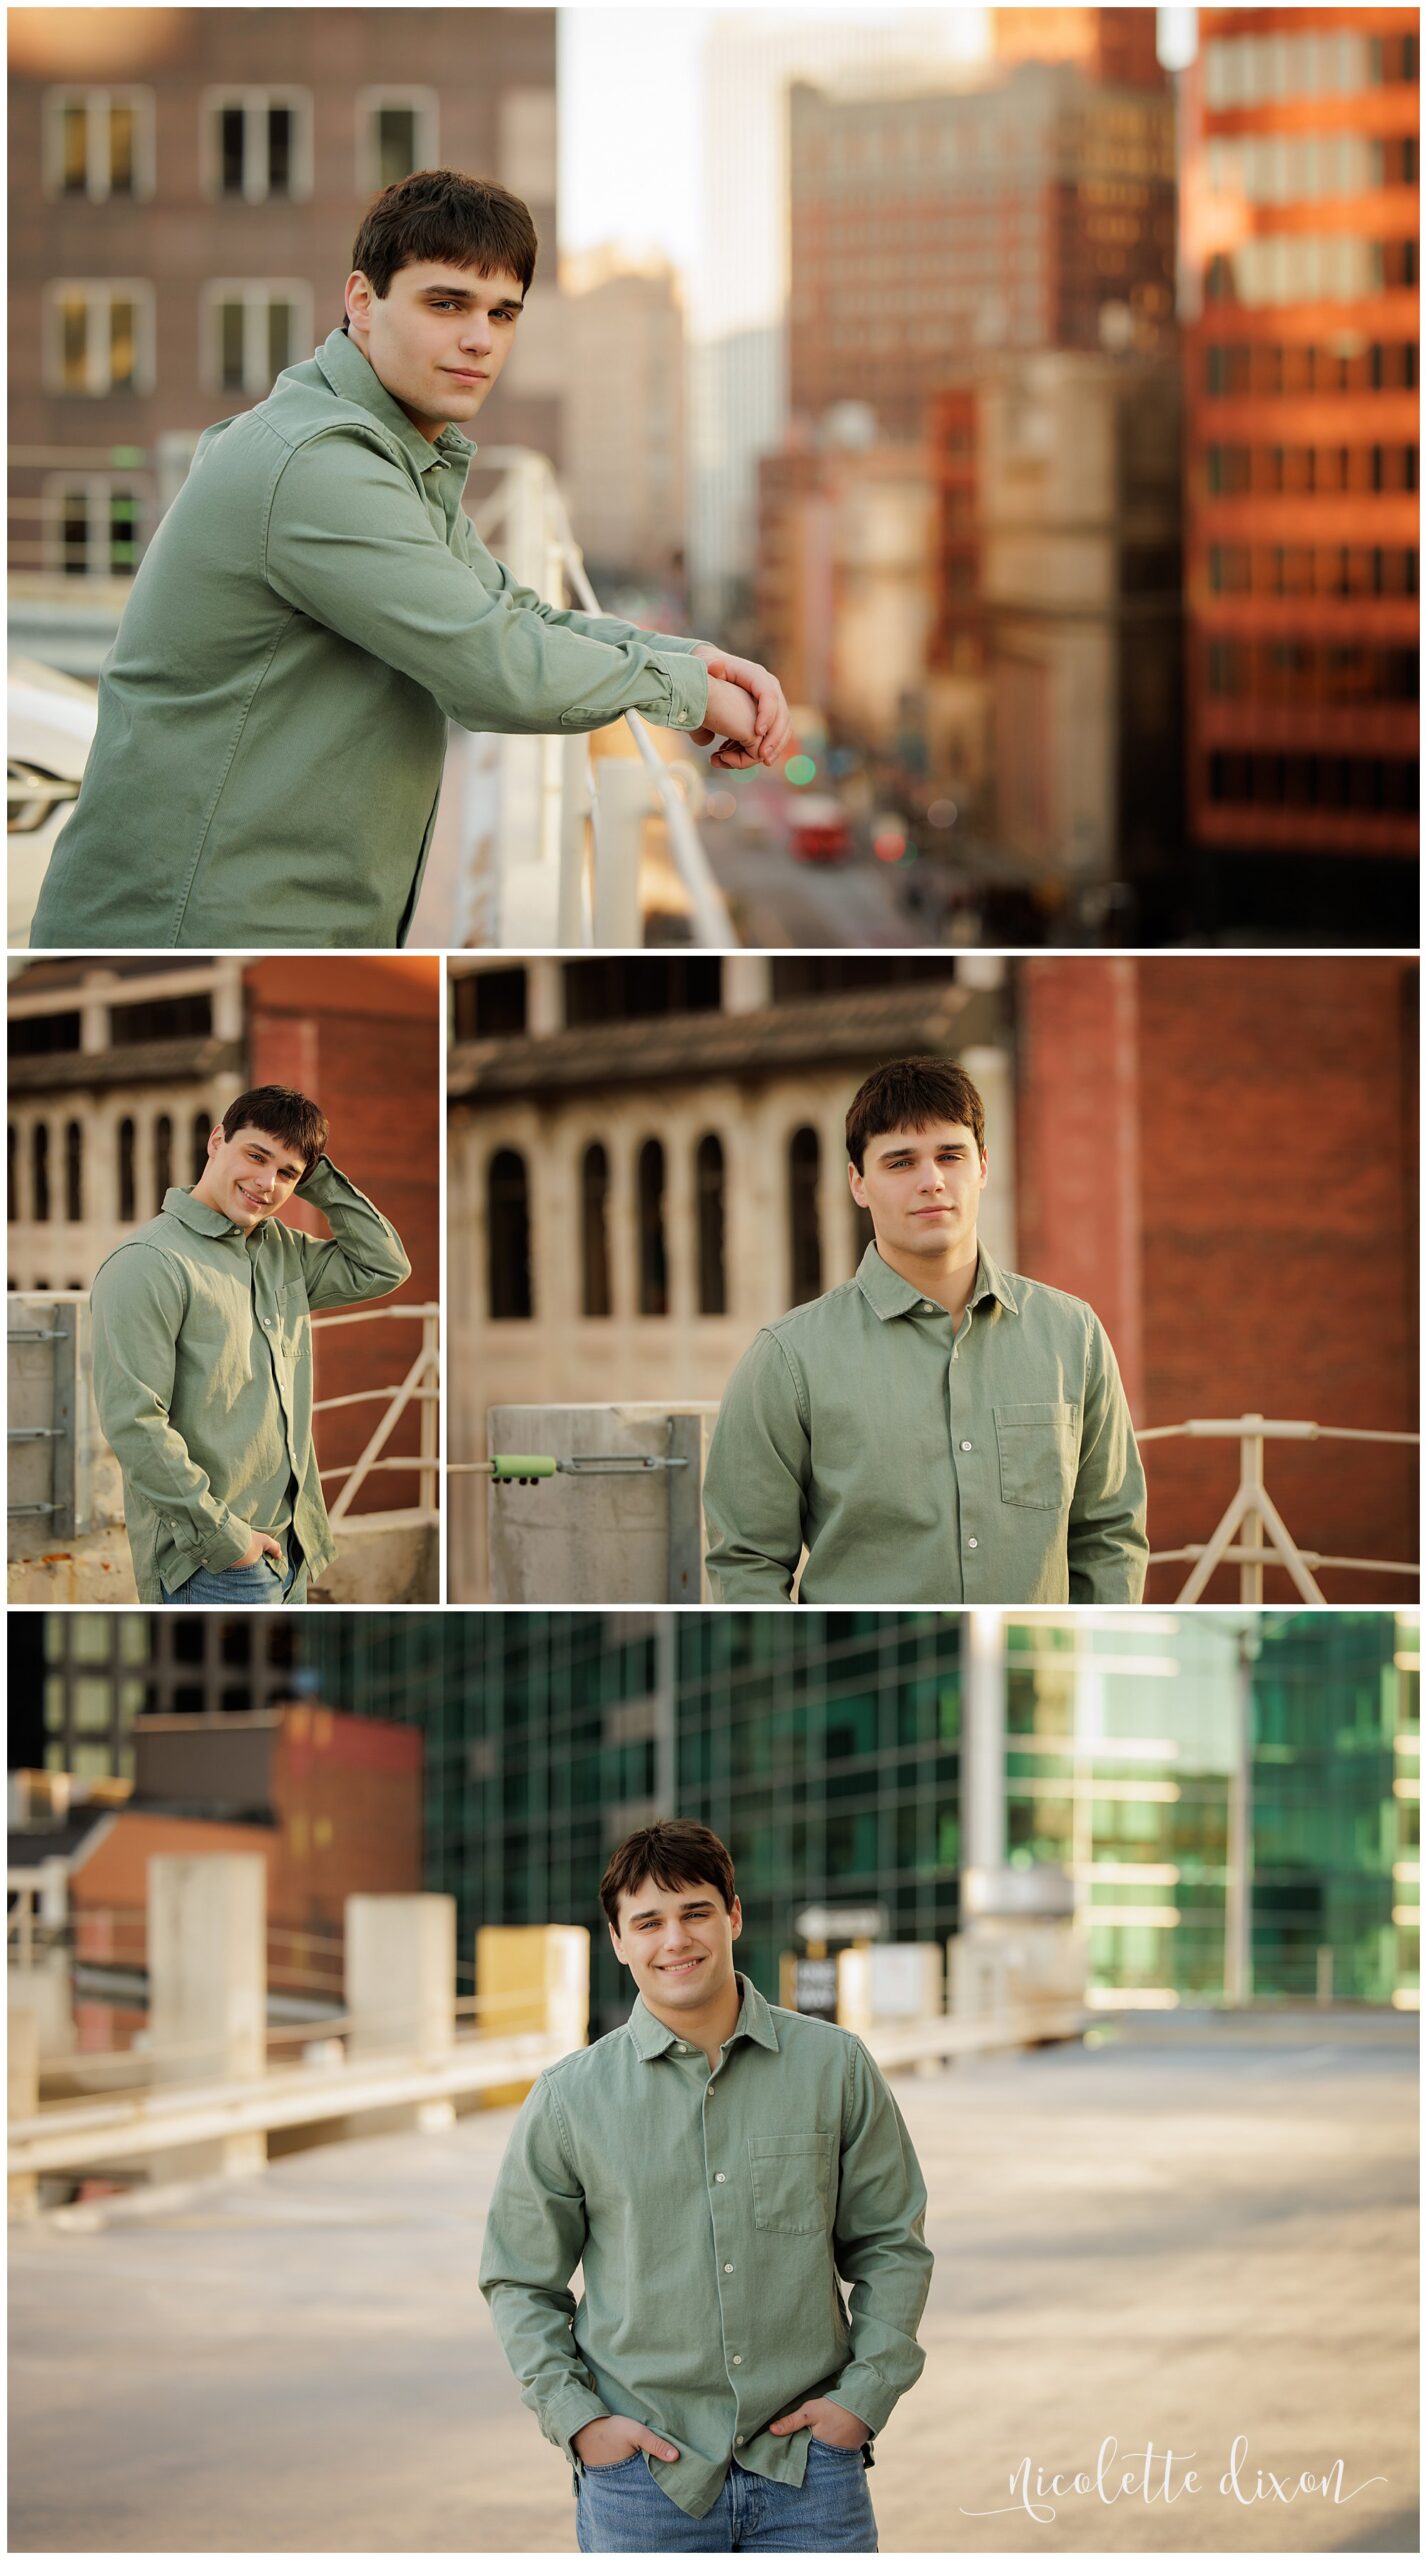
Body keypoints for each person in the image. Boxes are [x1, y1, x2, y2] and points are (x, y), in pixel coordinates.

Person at [30, 169, 790, 951]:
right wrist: (689, 694)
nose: (480, 340)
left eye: (502, 313)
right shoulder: (319, 465)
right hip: (189, 929)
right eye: (446, 303)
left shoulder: (387, 452)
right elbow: (494, 669)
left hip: (265, 924)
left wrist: (692, 656)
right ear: (361, 301)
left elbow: (515, 614)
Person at [480, 1819, 931, 2554]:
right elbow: (518, 2279)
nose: (675, 1940)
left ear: (732, 1915)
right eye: (647, 1922)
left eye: (694, 1912)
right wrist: (579, 2421)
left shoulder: (834, 2068)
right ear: (618, 1942)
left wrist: (863, 2399)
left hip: (807, 2474)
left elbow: (891, 2247)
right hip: (642, 2483)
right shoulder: (569, 2100)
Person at [703, 1056, 1148, 1605]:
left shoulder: (1072, 1337)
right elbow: (745, 1562)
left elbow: (1108, 1537)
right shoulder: (788, 1358)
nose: (932, 1180)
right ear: (858, 1183)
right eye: (900, 1163)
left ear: (983, 1166)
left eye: (950, 1155)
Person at [89, 1084, 410, 1605]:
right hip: (212, 1566)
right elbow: (134, 1423)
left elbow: (384, 1266)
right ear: (217, 1141)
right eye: (256, 1155)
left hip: (291, 1551)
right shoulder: (147, 1263)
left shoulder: (280, 1249)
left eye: (287, 1173)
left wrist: (317, 1174)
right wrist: (227, 1542)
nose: (267, 1183)